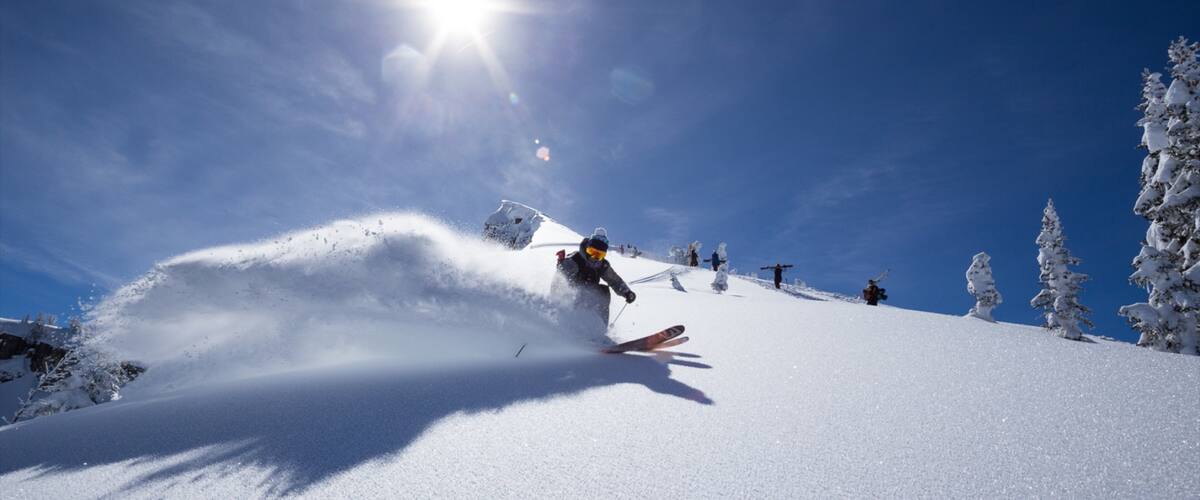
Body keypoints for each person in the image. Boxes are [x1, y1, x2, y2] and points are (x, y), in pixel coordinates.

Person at [555, 229, 636, 336]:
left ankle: (599, 332)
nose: (595, 258)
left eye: (599, 255)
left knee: (603, 292)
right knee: (581, 289)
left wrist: (626, 292)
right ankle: (572, 324)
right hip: (572, 295)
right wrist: (561, 263)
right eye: (592, 252)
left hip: (590, 296)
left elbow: (615, 280)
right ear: (586, 249)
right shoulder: (575, 258)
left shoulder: (602, 265)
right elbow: (561, 277)